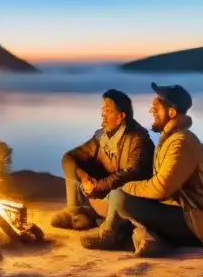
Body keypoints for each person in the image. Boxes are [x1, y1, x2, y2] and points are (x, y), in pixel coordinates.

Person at [81, 83, 203, 256]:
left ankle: (111, 233)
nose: (151, 111)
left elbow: (161, 188)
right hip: (186, 214)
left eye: (156, 107)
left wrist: (126, 187)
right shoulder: (172, 138)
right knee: (122, 198)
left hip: (193, 224)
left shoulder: (181, 142)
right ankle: (146, 236)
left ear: (171, 112)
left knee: (121, 198)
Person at [51, 89, 155, 230]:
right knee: (74, 165)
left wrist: (99, 186)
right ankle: (75, 212)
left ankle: (100, 219)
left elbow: (133, 172)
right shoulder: (101, 136)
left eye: (108, 111)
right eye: (103, 110)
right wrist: (84, 177)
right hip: (98, 195)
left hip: (122, 200)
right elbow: (70, 157)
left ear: (121, 116)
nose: (103, 115)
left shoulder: (138, 139)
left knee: (118, 195)